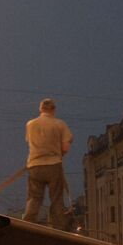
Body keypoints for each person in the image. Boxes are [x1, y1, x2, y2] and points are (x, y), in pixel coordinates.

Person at [23, 97, 73, 228]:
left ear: (40, 109)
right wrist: (58, 154)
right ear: (54, 110)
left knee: (34, 198)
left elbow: (30, 142)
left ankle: (27, 225)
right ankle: (59, 229)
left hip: (34, 165)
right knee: (56, 199)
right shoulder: (59, 124)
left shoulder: (30, 124)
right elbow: (65, 147)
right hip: (53, 165)